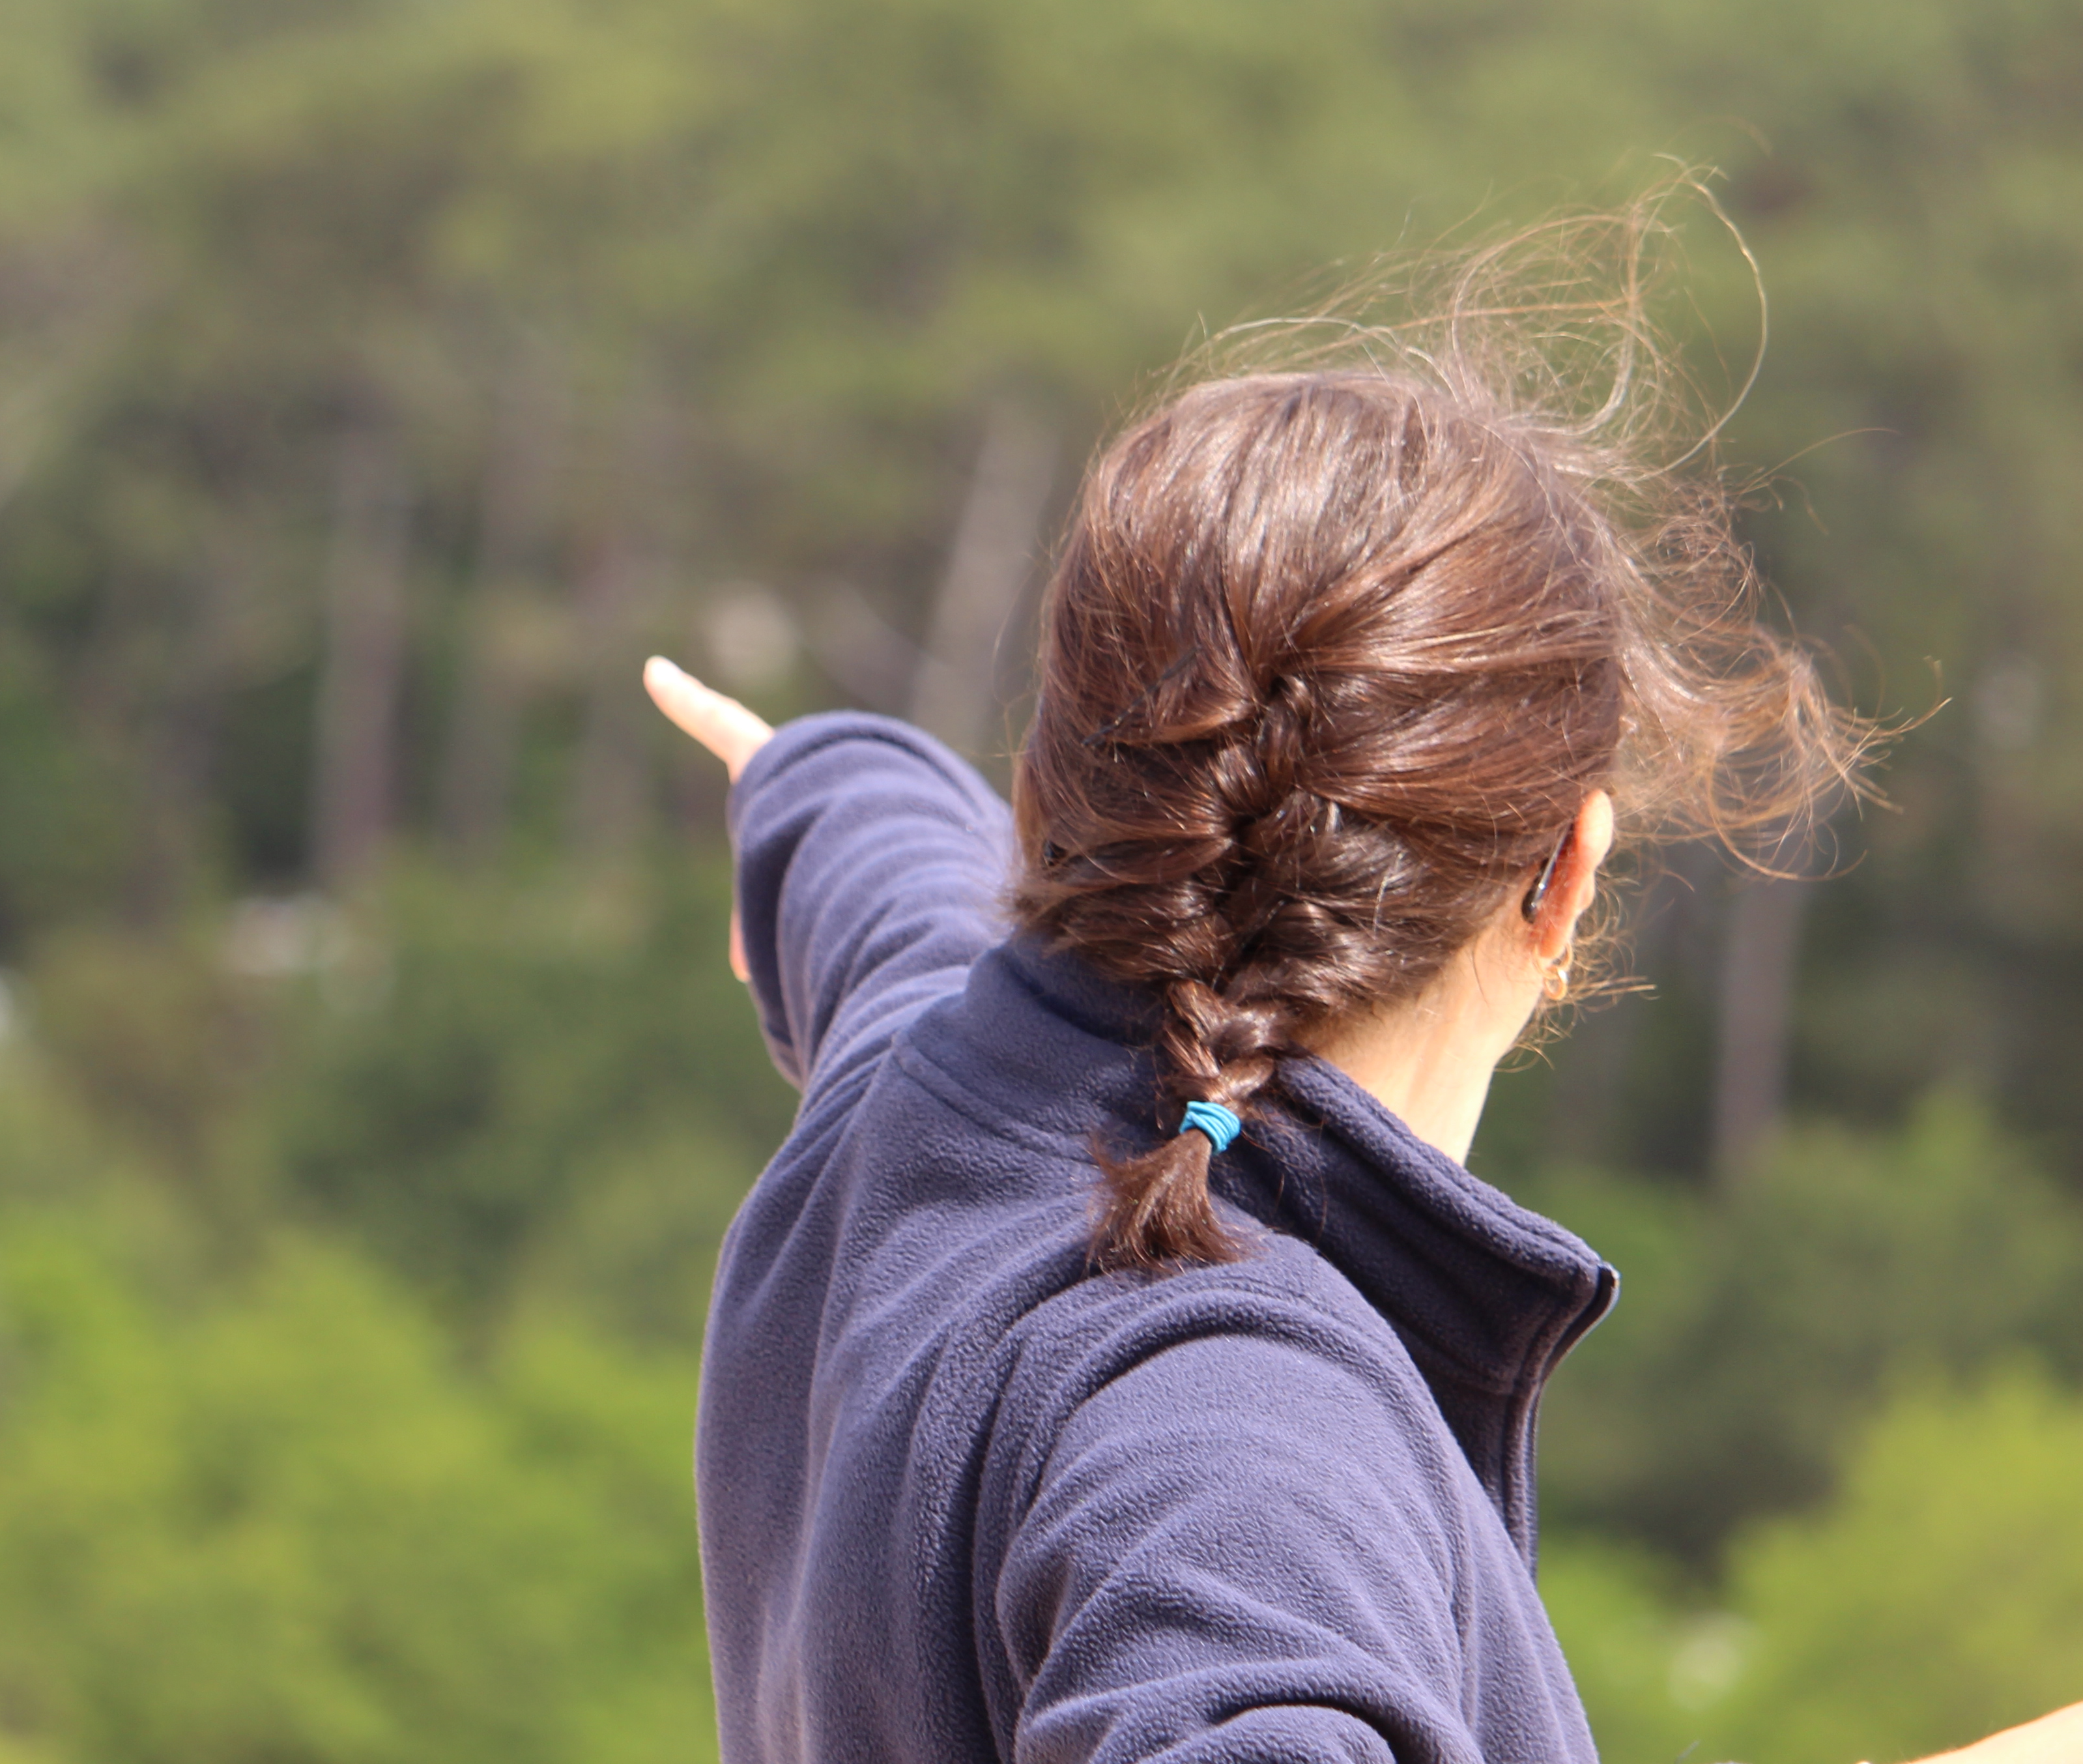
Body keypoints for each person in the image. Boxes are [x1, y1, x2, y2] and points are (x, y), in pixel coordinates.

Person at [646, 261, 2083, 1763]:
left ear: (1051, 794)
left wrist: (808, 775)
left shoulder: (917, 1073)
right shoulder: (1236, 1432)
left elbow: (890, 887)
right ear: (1568, 877)